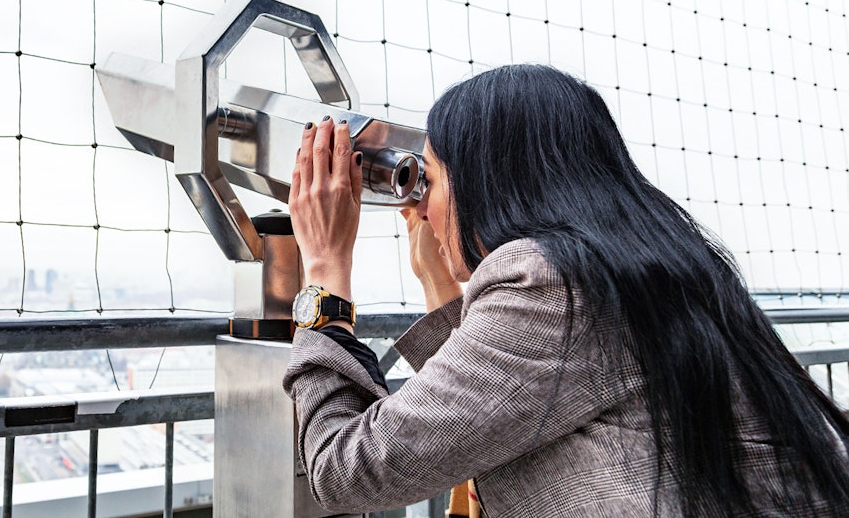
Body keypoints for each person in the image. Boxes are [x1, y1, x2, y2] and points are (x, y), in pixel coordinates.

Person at [282, 63, 849, 517]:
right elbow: (482, 416)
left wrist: (325, 271)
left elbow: (346, 468)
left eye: (428, 179)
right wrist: (438, 279)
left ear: (491, 179)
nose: (420, 203)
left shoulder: (549, 281)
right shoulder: (647, 269)